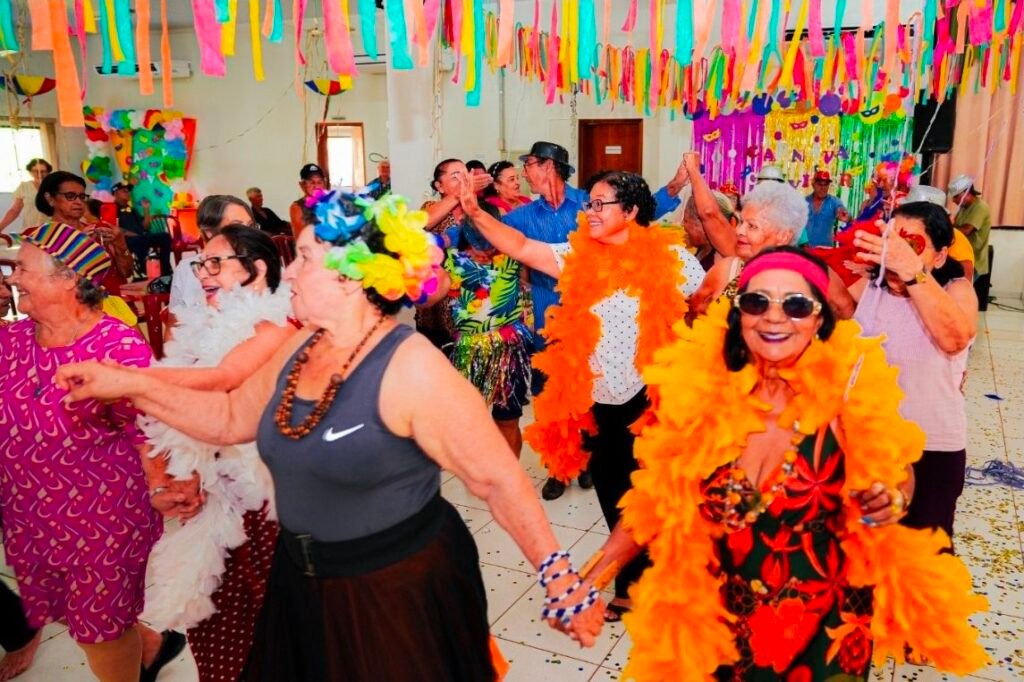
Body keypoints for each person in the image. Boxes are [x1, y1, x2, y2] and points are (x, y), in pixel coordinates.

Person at [56, 188, 606, 681]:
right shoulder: (302, 345)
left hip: (391, 588)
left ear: (349, 279)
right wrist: (132, 384)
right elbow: (227, 417)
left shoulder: (412, 367)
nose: (290, 271)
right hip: (301, 580)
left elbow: (498, 480)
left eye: (304, 259)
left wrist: (560, 577)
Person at [580, 247, 988, 680]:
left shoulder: (844, 393)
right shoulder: (704, 398)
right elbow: (655, 502)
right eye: (757, 302)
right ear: (738, 314)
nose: (774, 317)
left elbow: (897, 472)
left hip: (822, 634)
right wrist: (588, 580)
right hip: (717, 626)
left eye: (795, 305)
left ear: (819, 318)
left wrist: (891, 498)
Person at [459, 170, 704, 622]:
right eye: (589, 203)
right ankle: (630, 580)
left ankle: (657, 578)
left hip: (652, 397)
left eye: (600, 203)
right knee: (611, 489)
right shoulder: (576, 255)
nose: (589, 211)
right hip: (596, 399)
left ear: (630, 211)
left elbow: (706, 305)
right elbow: (522, 247)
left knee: (650, 492)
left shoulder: (673, 260)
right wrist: (475, 212)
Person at [0, 221, 185, 682]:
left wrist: (161, 484)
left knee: (98, 630)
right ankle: (150, 646)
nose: (12, 278)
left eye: (22, 269)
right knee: (71, 609)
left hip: (102, 517)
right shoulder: (13, 340)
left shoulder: (116, 347)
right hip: (31, 511)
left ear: (67, 280)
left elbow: (150, 428)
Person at [137, 226, 296, 682]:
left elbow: (222, 382)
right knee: (218, 624)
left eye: (214, 263)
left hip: (266, 505)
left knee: (276, 623)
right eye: (199, 264)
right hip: (214, 497)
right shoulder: (202, 330)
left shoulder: (274, 328)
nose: (203, 274)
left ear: (257, 269)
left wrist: (133, 381)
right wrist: (173, 476)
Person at [501, 141, 691, 501]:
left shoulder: (588, 203)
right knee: (554, 402)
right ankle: (559, 469)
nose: (525, 172)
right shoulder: (524, 214)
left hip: (601, 327)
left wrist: (676, 185)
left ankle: (590, 460)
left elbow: (640, 211)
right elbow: (503, 241)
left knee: (600, 409)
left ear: (549, 167)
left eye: (530, 164)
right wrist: (473, 212)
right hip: (551, 324)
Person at [851, 202, 977, 541]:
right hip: (871, 444)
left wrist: (912, 271)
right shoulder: (870, 287)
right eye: (894, 243)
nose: (898, 255)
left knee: (922, 553)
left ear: (940, 256)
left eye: (913, 246)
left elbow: (954, 338)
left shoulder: (956, 290)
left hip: (931, 448)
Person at [432, 202, 533, 457]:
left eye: (489, 245)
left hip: (510, 352)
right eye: (478, 246)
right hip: (469, 354)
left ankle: (509, 475)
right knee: (469, 423)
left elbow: (531, 285)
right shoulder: (451, 261)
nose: (485, 253)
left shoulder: (514, 256)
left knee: (508, 421)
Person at [688, 180, 809, 318]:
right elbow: (693, 315)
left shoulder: (804, 283)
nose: (739, 231)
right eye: (741, 222)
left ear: (783, 236)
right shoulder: (728, 270)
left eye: (752, 226)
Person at [417, 159, 491, 350]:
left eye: (465, 174)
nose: (463, 180)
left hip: (473, 305)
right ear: (439, 186)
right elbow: (421, 224)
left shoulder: (477, 209)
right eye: (455, 176)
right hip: (438, 307)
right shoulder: (430, 207)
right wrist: (460, 194)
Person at [169, 195, 255, 315]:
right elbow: (175, 319)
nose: (249, 233)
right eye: (237, 226)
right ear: (209, 232)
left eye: (250, 226)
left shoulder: (260, 263)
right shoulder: (187, 269)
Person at [679, 152, 741, 271]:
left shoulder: (725, 249)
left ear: (705, 225)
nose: (683, 225)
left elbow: (709, 213)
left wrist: (693, 170)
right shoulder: (703, 247)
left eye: (686, 220)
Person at [113, 181, 173, 278]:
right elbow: (115, 228)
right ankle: (146, 271)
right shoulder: (113, 209)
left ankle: (165, 270)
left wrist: (146, 209)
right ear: (116, 194)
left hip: (142, 236)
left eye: (128, 191)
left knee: (165, 237)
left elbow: (146, 227)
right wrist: (134, 234)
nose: (127, 193)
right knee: (139, 241)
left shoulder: (132, 210)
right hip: (127, 240)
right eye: (124, 191)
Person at [948, 174, 992, 287]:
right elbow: (955, 225)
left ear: (966, 193)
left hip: (973, 261)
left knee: (960, 289)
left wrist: (946, 227)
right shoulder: (964, 207)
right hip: (961, 256)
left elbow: (966, 230)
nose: (953, 200)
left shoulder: (980, 207)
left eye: (956, 196)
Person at [0, 158, 51, 234]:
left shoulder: (54, 187)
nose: (39, 174)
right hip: (30, 231)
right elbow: (14, 210)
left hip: (51, 231)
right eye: (35, 171)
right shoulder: (24, 187)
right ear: (30, 172)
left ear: (48, 172)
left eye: (43, 171)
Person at [803, 170, 850, 247]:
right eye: (820, 184)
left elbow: (844, 213)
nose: (823, 188)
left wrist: (845, 215)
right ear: (813, 184)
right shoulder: (804, 201)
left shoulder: (834, 202)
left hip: (825, 250)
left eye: (826, 185)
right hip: (804, 249)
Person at [288, 163, 327, 237]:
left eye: (319, 182)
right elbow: (301, 238)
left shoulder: (329, 202)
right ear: (302, 185)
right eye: (311, 182)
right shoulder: (297, 207)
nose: (316, 186)